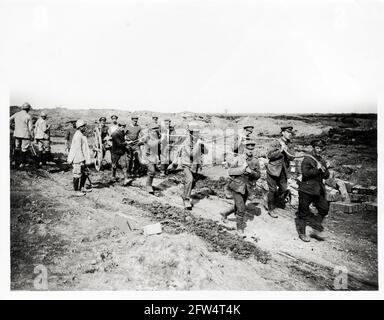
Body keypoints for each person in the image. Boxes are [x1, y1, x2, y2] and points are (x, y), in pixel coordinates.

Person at [220, 141, 261, 233]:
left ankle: (224, 213)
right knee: (241, 209)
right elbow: (230, 171)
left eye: (252, 149)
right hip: (237, 186)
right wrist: (241, 169)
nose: (250, 151)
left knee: (239, 205)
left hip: (247, 187)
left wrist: (252, 172)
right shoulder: (238, 159)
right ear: (245, 149)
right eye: (248, 148)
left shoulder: (255, 160)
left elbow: (258, 175)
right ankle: (239, 229)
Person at [296, 139, 330, 242]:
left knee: (324, 208)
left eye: (321, 148)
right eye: (317, 148)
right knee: (303, 212)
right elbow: (305, 174)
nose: (319, 150)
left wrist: (325, 168)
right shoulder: (308, 159)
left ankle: (315, 229)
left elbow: (326, 176)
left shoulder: (321, 160)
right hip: (306, 189)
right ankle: (302, 233)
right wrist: (318, 169)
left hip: (318, 190)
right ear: (314, 148)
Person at [266, 126, 296, 218]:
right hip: (273, 169)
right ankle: (271, 209)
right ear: (282, 133)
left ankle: (273, 201)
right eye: (287, 132)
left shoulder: (290, 144)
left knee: (283, 189)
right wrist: (280, 151)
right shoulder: (275, 142)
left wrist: (286, 149)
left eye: (290, 133)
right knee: (273, 190)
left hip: (283, 170)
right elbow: (269, 155)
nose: (289, 134)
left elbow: (292, 157)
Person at [180, 121, 208, 209]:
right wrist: (198, 145)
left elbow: (206, 152)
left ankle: (185, 193)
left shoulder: (199, 140)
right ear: (191, 133)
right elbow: (191, 154)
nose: (196, 134)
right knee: (190, 179)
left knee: (193, 182)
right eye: (194, 133)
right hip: (186, 164)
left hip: (195, 165)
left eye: (197, 132)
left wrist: (203, 145)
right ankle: (186, 199)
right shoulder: (187, 142)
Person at [67, 120, 92, 196]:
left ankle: (82, 187)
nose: (85, 128)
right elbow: (78, 149)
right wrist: (82, 160)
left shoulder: (81, 134)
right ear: (80, 127)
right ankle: (76, 191)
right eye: (83, 126)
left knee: (84, 173)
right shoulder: (78, 135)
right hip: (77, 158)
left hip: (81, 157)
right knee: (77, 174)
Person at [9, 102, 34, 168]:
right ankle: (22, 163)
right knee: (24, 149)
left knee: (17, 148)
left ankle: (14, 161)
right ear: (28, 109)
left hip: (17, 134)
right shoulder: (28, 116)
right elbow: (31, 128)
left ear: (22, 108)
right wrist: (32, 136)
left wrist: (13, 128)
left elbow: (8, 120)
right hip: (25, 135)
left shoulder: (16, 114)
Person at [143, 123, 162, 194]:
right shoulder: (147, 136)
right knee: (152, 171)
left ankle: (149, 184)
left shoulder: (157, 135)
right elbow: (151, 144)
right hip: (147, 156)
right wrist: (159, 141)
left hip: (154, 156)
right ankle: (148, 186)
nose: (155, 131)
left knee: (152, 172)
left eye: (156, 129)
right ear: (150, 129)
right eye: (154, 129)